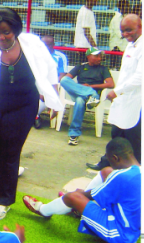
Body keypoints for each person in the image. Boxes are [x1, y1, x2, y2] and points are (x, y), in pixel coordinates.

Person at [0, 8, 63, 221]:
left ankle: (2, 202)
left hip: (23, 106)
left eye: (6, 32)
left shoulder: (32, 43)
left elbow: (49, 68)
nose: (1, 37)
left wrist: (51, 96)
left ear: (15, 30)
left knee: (9, 153)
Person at [23, 137, 141, 243]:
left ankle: (42, 210)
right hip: (132, 224)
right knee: (107, 171)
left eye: (110, 160)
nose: (111, 164)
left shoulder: (121, 176)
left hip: (120, 232)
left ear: (115, 158)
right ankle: (76, 210)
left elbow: (92, 195)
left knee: (73, 197)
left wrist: (81, 194)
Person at [87, 14, 142, 171]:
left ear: (140, 26)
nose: (125, 35)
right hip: (124, 99)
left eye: (129, 30)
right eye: (123, 31)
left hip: (136, 102)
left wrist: (117, 91)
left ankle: (135, 171)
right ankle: (108, 161)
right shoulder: (132, 45)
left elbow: (140, 77)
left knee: (134, 140)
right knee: (116, 132)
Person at [60, 47, 114, 146]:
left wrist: (91, 87)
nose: (99, 58)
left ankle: (73, 135)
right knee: (64, 80)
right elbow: (66, 79)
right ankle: (90, 94)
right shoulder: (80, 67)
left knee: (80, 101)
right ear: (88, 56)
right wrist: (81, 88)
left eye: (100, 56)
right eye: (96, 56)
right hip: (80, 93)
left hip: (94, 95)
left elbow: (111, 84)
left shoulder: (103, 69)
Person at [34, 35, 68, 129]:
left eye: (47, 45)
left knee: (45, 94)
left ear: (53, 45)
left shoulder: (61, 57)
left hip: (52, 83)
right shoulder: (35, 55)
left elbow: (62, 74)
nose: (44, 47)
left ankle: (34, 115)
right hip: (37, 82)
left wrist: (51, 84)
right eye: (42, 45)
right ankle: (34, 116)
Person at [109, 0, 130, 70]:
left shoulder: (127, 18)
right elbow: (120, 34)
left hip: (124, 48)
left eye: (127, 6)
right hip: (116, 48)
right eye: (125, 7)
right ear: (120, 8)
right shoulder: (116, 19)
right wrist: (130, 33)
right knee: (114, 69)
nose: (127, 8)